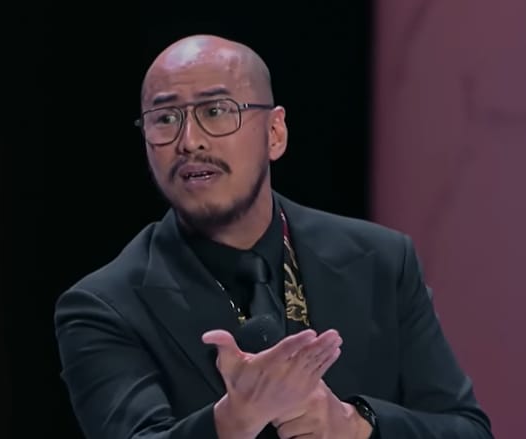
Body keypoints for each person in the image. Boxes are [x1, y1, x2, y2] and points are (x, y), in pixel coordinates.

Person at [54, 34, 493, 439]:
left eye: (215, 111)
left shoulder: (382, 260)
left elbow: (467, 429)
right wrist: (234, 420)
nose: (189, 142)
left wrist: (355, 426)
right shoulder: (105, 307)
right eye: (165, 118)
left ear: (275, 133)